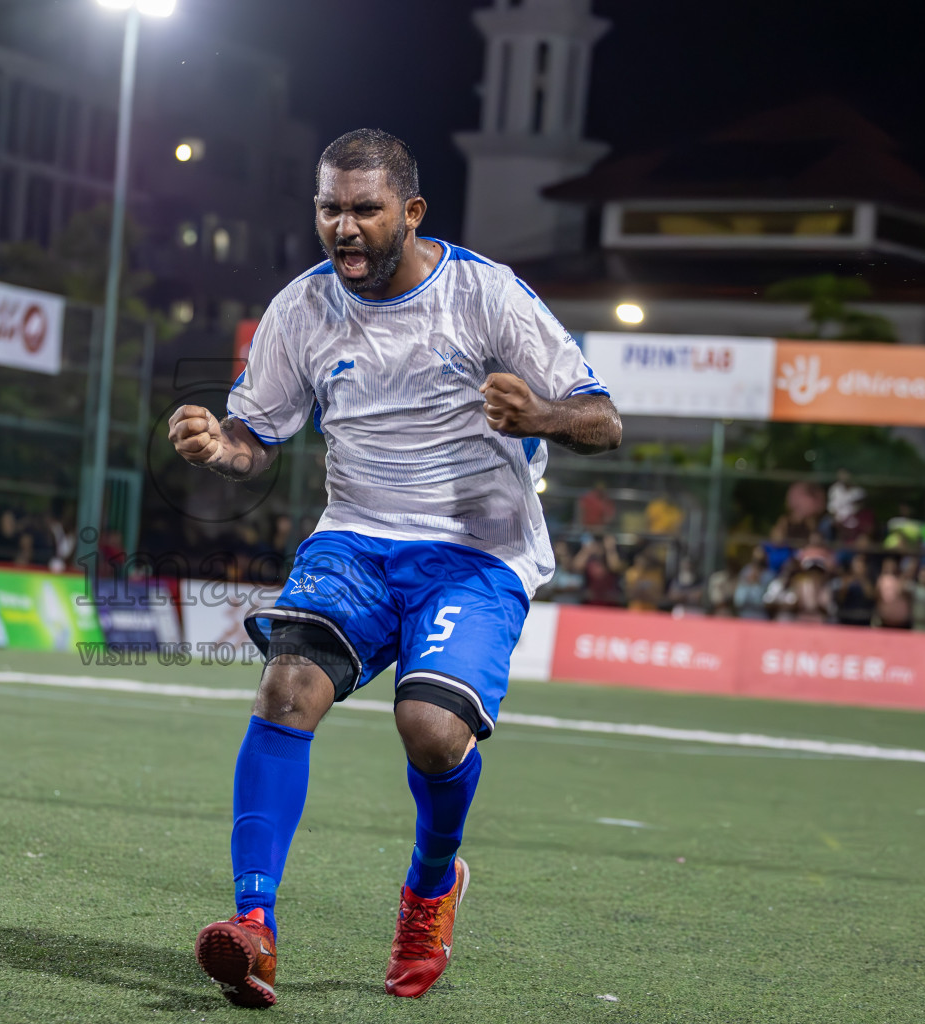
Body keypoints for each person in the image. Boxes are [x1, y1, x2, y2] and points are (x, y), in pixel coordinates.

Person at [167, 129, 621, 1007]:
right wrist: (218, 447)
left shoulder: (486, 296)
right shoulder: (300, 308)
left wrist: (542, 414)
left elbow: (603, 420)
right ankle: (253, 927)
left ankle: (431, 887)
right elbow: (257, 439)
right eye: (330, 208)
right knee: (286, 688)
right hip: (357, 540)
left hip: (475, 553)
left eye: (364, 209)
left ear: (410, 213)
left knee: (432, 730)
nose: (344, 226)